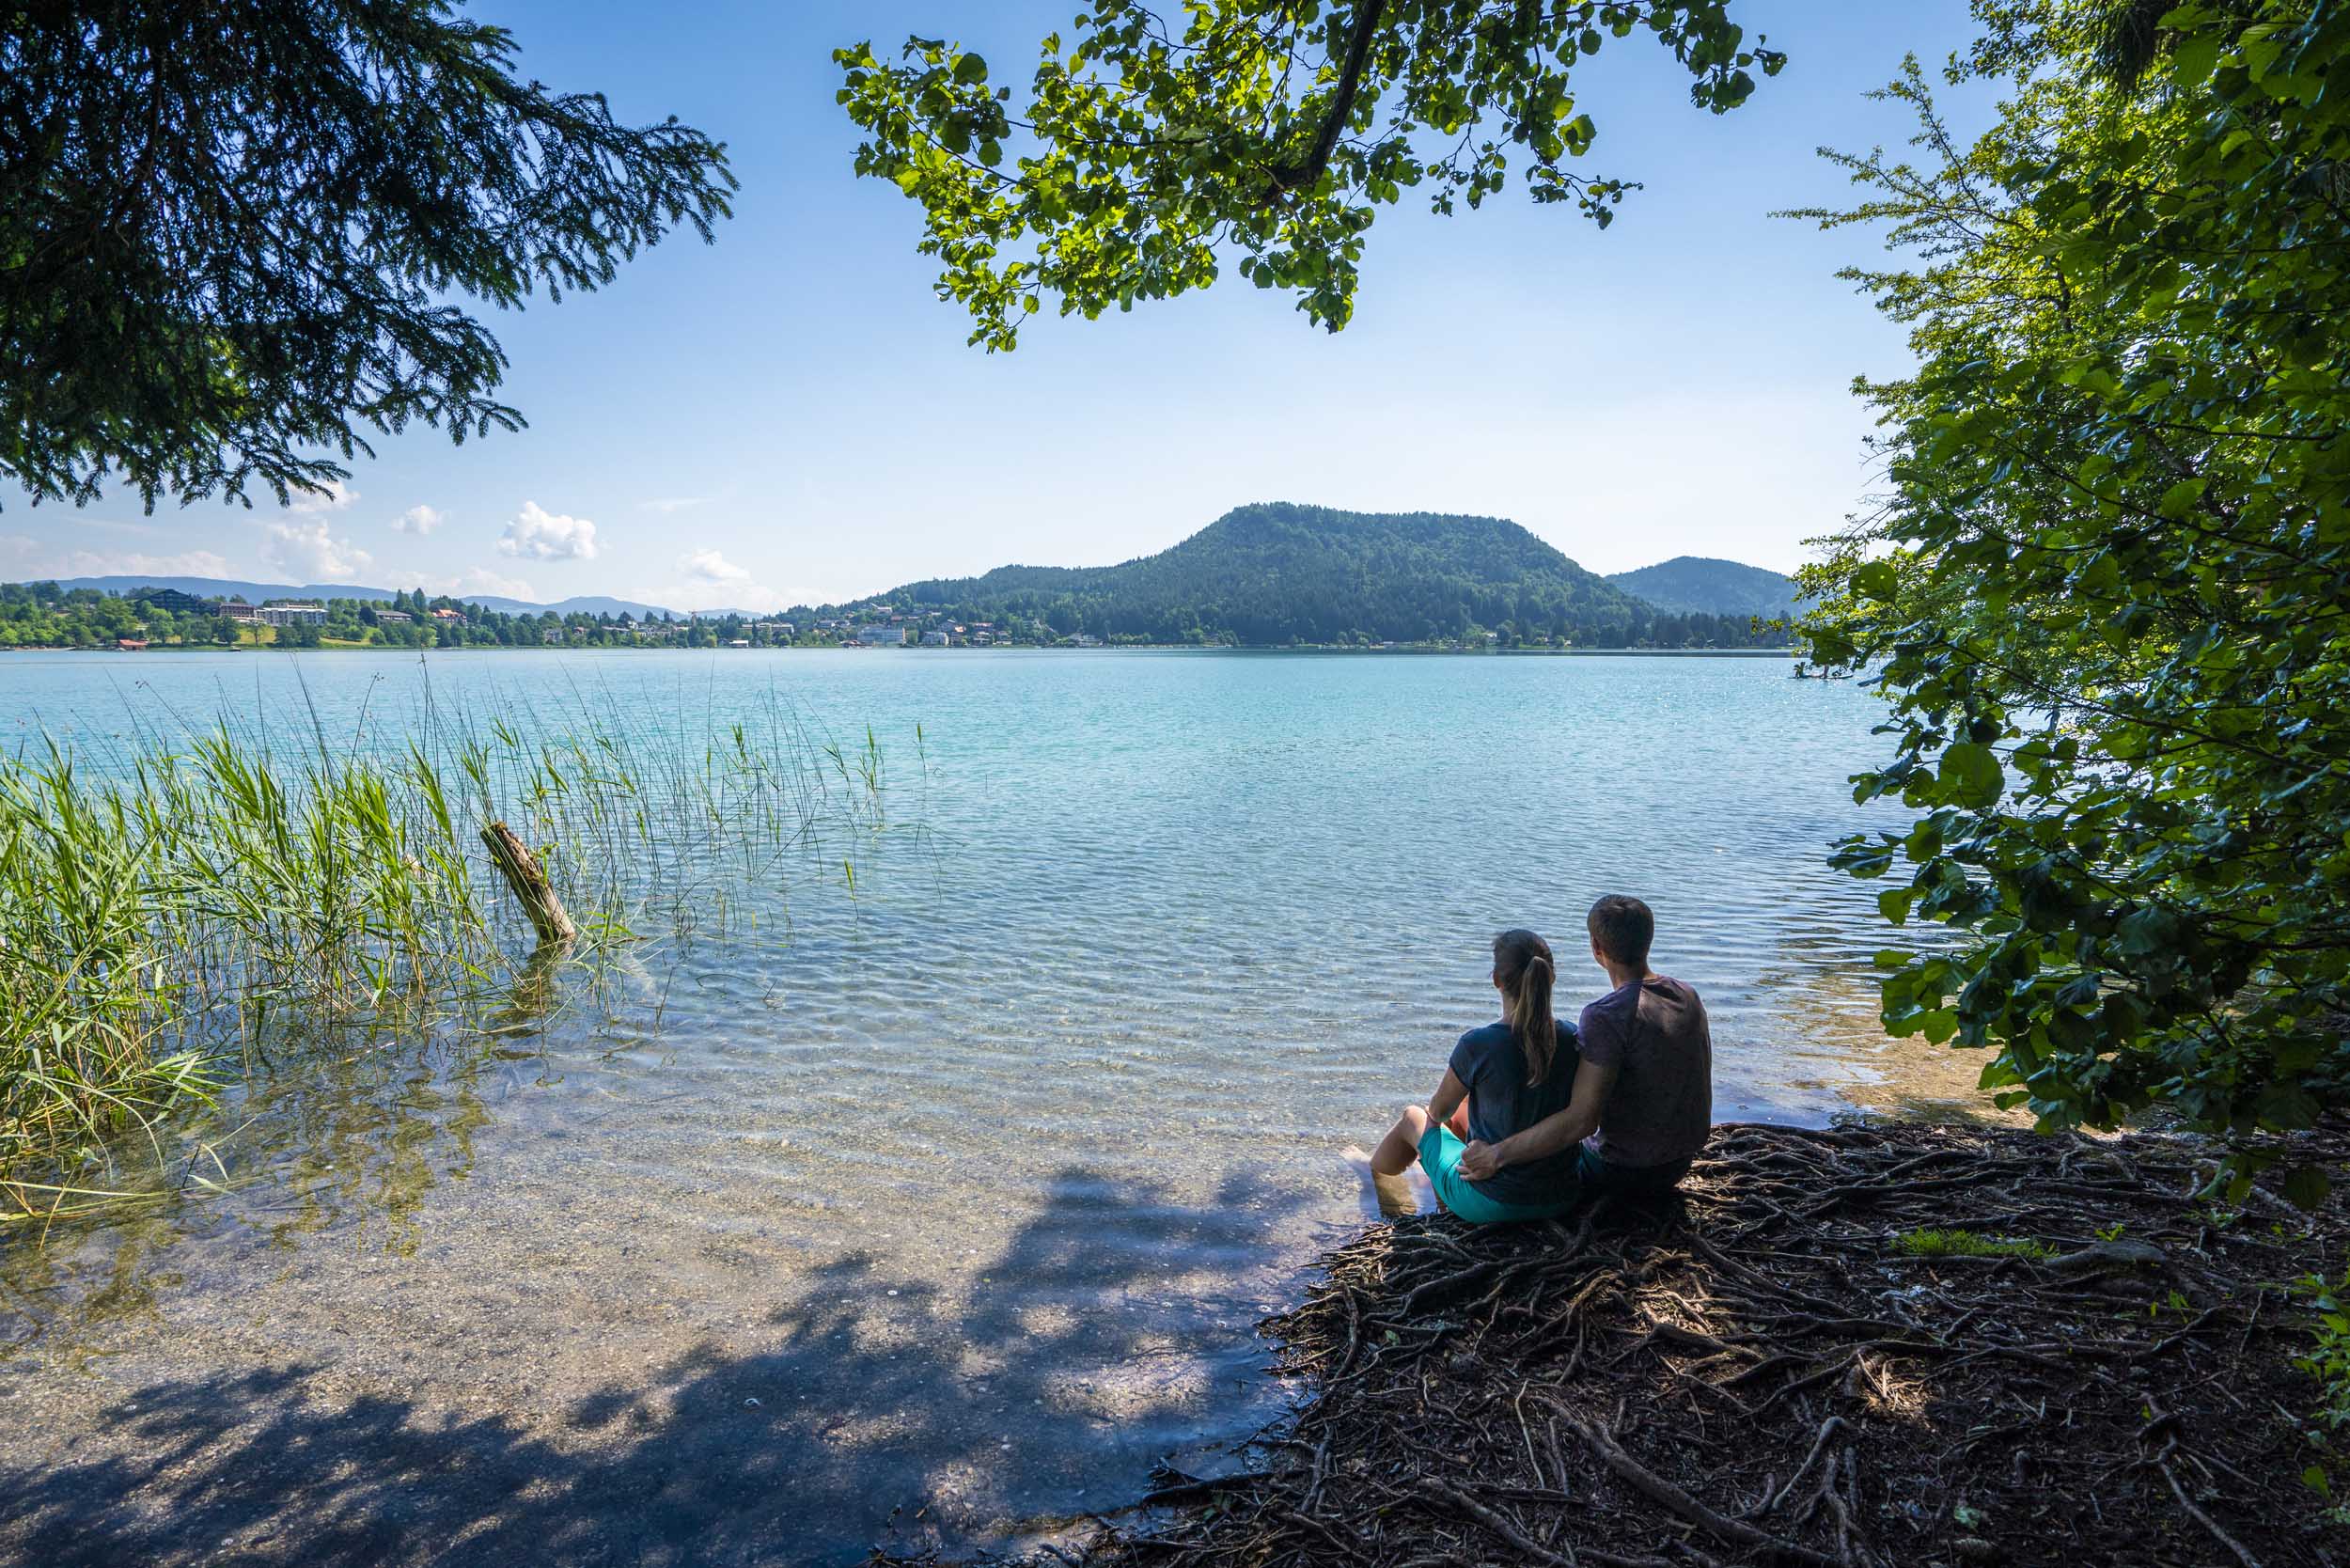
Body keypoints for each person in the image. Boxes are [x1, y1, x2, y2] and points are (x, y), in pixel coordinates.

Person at [1459, 894, 1712, 1198]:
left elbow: (1581, 1122)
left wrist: (1496, 1154)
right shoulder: (1687, 995)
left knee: (1467, 1113)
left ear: (1596, 948)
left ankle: (1462, 1190)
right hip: (1679, 1162)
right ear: (1649, 940)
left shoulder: (1604, 1016)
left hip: (1620, 1171)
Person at [1355, 929, 1595, 1225]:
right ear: (1551, 978)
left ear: (1496, 980)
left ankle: (1372, 1176)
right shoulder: (1573, 1037)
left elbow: (1439, 1111)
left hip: (1494, 1202)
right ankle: (1435, 1187)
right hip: (1562, 1196)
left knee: (1413, 1117)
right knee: (1466, 1113)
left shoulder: (1478, 1044)